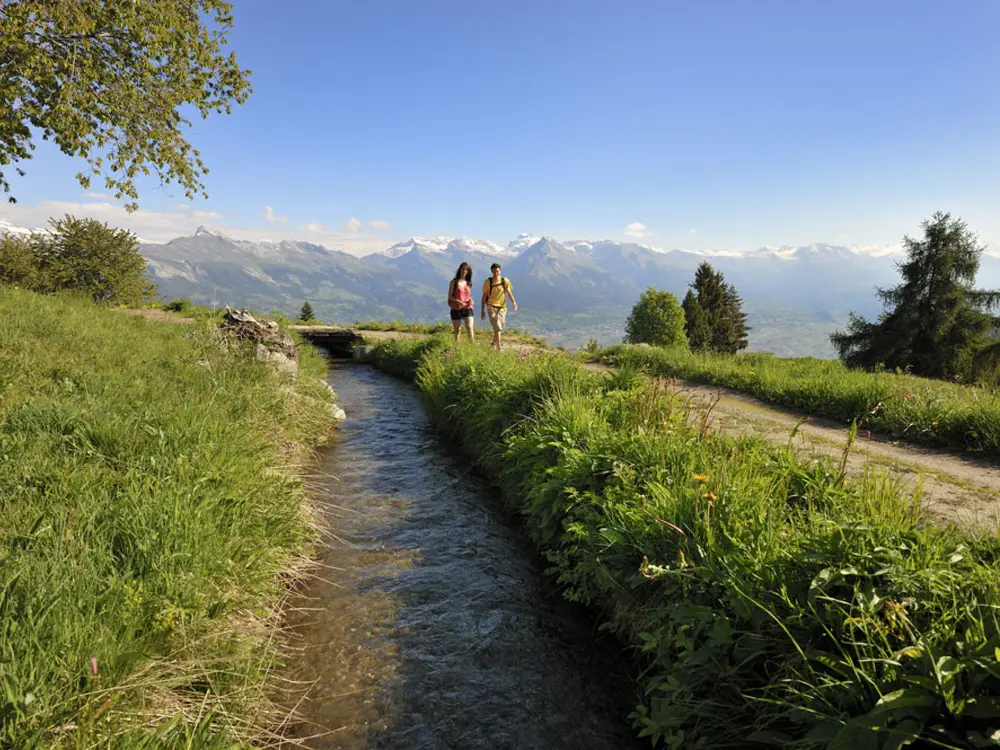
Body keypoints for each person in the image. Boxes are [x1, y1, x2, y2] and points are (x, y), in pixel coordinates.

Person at [481, 262, 517, 351]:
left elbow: (509, 292)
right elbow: (484, 296)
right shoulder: (488, 282)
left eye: (497, 271)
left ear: (500, 271)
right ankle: (499, 348)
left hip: (502, 308)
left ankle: (493, 344)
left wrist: (514, 302)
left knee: (499, 327)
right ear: (491, 272)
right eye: (494, 272)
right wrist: (482, 310)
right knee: (498, 328)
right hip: (491, 307)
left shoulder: (505, 281)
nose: (496, 273)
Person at [447, 262, 475, 342]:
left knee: (469, 326)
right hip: (456, 307)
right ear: (460, 270)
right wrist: (459, 302)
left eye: (466, 270)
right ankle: (457, 346)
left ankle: (472, 346)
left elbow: (467, 294)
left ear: (468, 272)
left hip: (467, 307)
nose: (464, 271)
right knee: (457, 330)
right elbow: (450, 297)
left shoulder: (469, 283)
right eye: (463, 269)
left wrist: (471, 300)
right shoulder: (454, 282)